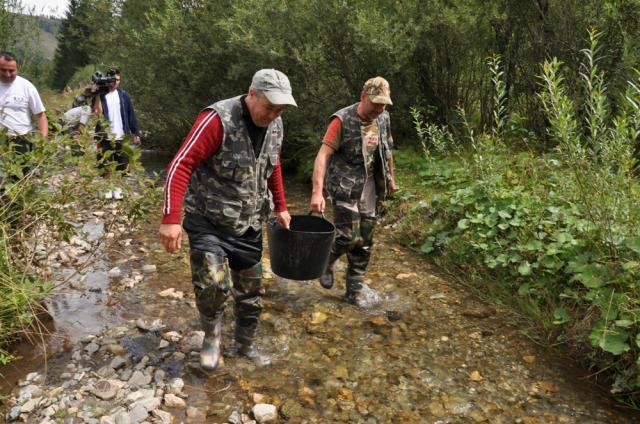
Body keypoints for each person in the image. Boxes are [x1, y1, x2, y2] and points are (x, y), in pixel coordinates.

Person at [159, 69, 296, 371]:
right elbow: (180, 164)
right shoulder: (217, 119)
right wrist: (171, 218)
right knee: (214, 284)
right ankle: (211, 336)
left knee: (252, 295)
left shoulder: (276, 125)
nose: (274, 114)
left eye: (280, 109)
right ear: (252, 94)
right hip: (208, 219)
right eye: (269, 106)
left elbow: (272, 167)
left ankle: (245, 347)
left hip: (248, 224)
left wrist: (281, 207)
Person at [309, 76, 396, 307]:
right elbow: (322, 155)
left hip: (369, 185)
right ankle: (325, 262)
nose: (379, 108)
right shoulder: (342, 119)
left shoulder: (384, 118)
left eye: (383, 104)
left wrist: (391, 178)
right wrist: (317, 193)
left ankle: (354, 290)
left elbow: (387, 150)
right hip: (344, 186)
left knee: (365, 240)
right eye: (376, 103)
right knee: (348, 235)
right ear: (362, 96)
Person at [93, 68, 140, 198]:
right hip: (105, 136)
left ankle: (118, 189)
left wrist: (136, 133)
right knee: (105, 163)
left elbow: (131, 114)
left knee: (122, 164)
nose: (114, 82)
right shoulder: (101, 95)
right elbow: (97, 113)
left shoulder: (124, 95)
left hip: (122, 136)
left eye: (117, 80)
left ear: (120, 80)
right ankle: (108, 189)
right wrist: (96, 92)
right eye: (112, 80)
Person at [0, 51, 48, 153]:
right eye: (3, 70)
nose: (8, 74)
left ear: (18, 68)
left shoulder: (27, 86)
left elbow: (40, 114)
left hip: (23, 139)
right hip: (1, 139)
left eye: (11, 70)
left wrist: (43, 140)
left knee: (24, 168)